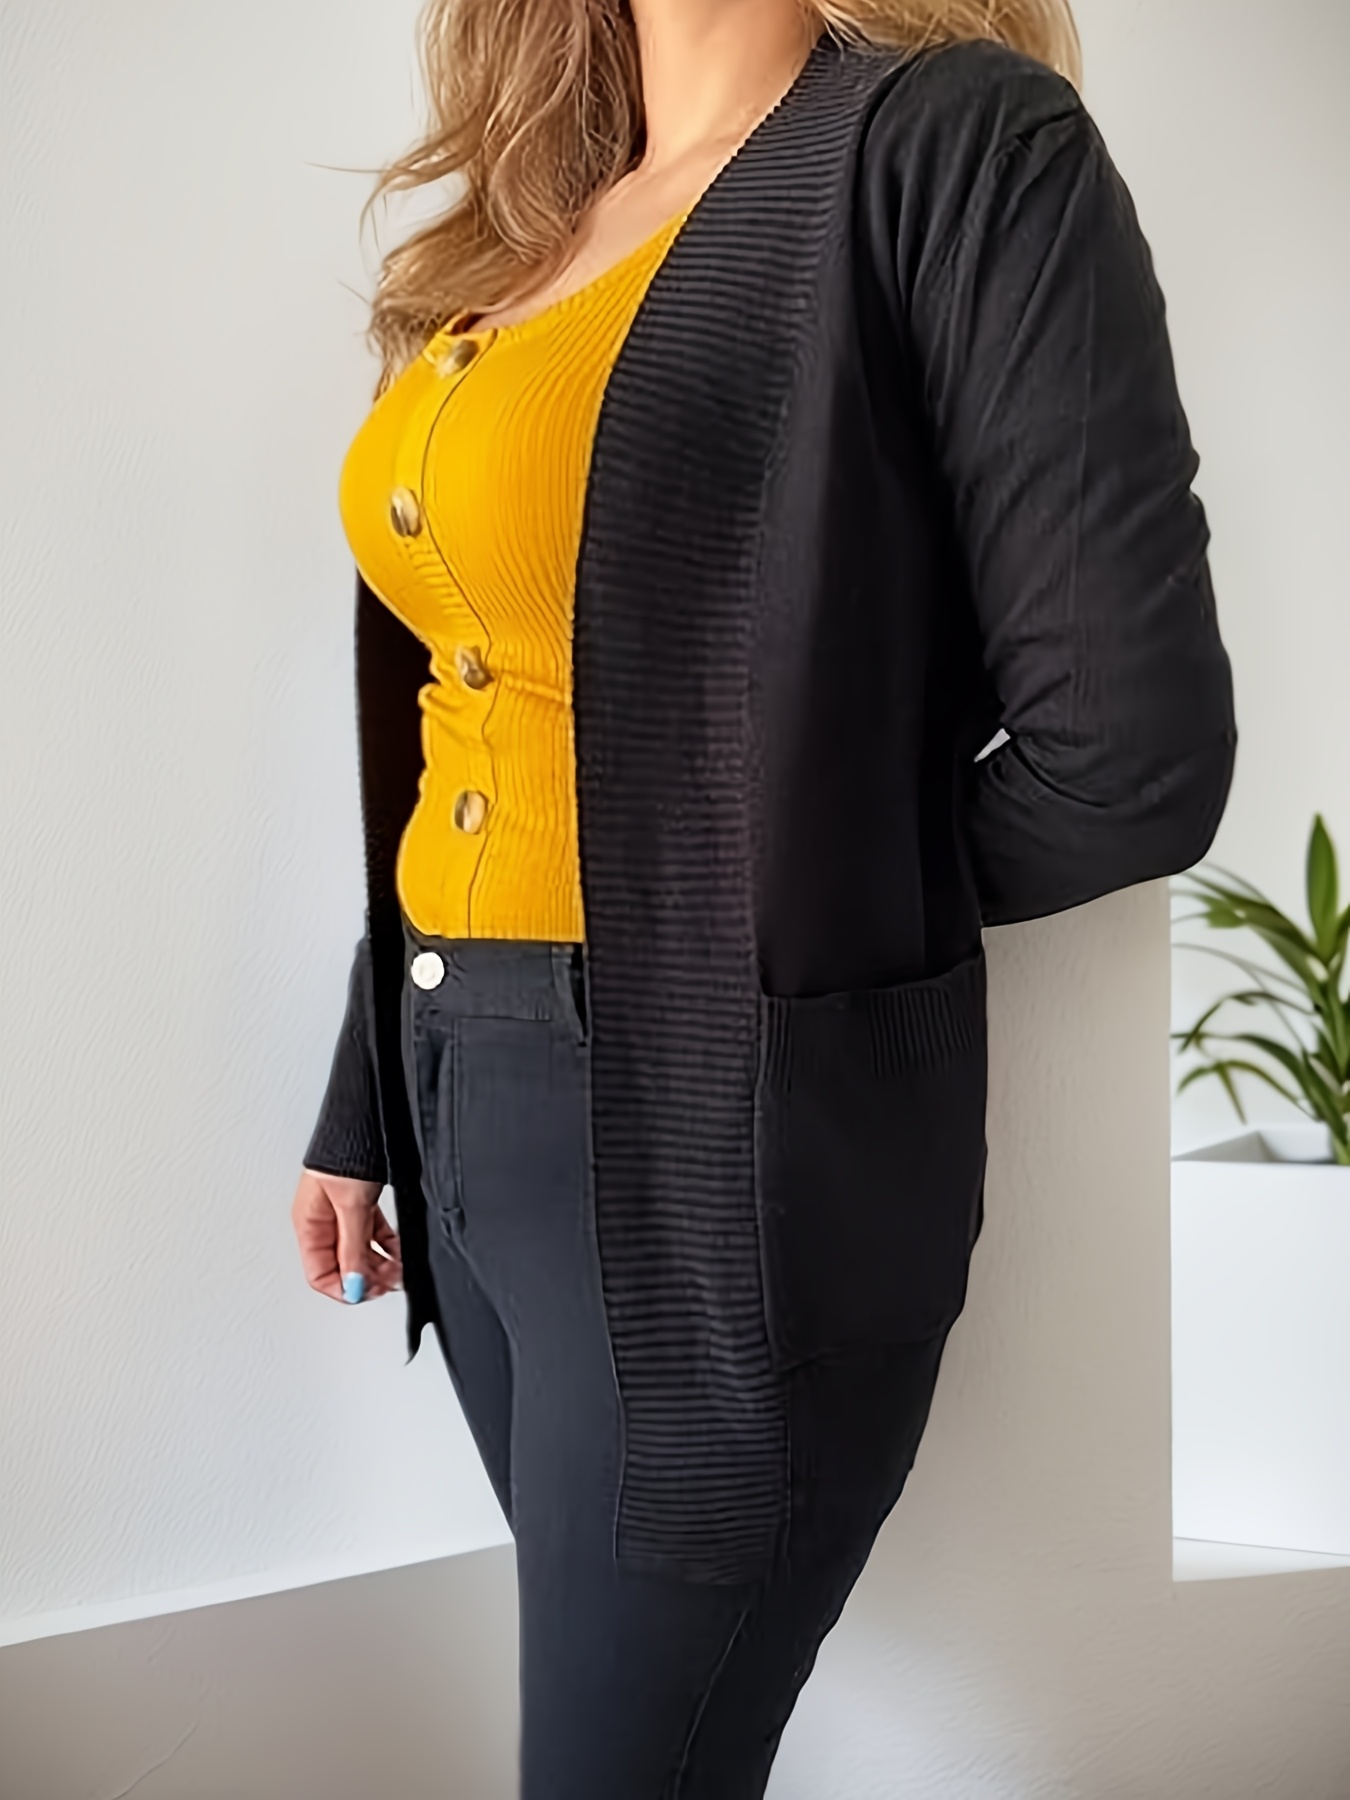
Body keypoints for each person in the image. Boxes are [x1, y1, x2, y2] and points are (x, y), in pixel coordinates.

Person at [291, 0, 1237, 1792]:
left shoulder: (957, 149)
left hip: (704, 1141)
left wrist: (744, 934)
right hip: (458, 1099)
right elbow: (477, 706)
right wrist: (368, 1093)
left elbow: (1129, 760)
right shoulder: (533, 220)